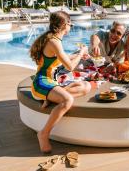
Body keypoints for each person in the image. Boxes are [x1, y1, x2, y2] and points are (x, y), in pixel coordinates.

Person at [30, 11, 91, 153]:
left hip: (53, 82)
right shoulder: (53, 41)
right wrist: (81, 54)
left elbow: (61, 57)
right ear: (64, 25)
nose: (71, 27)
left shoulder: (53, 39)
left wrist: (77, 54)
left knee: (86, 86)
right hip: (42, 82)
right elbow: (69, 67)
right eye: (70, 24)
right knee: (68, 100)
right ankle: (44, 133)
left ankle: (51, 100)